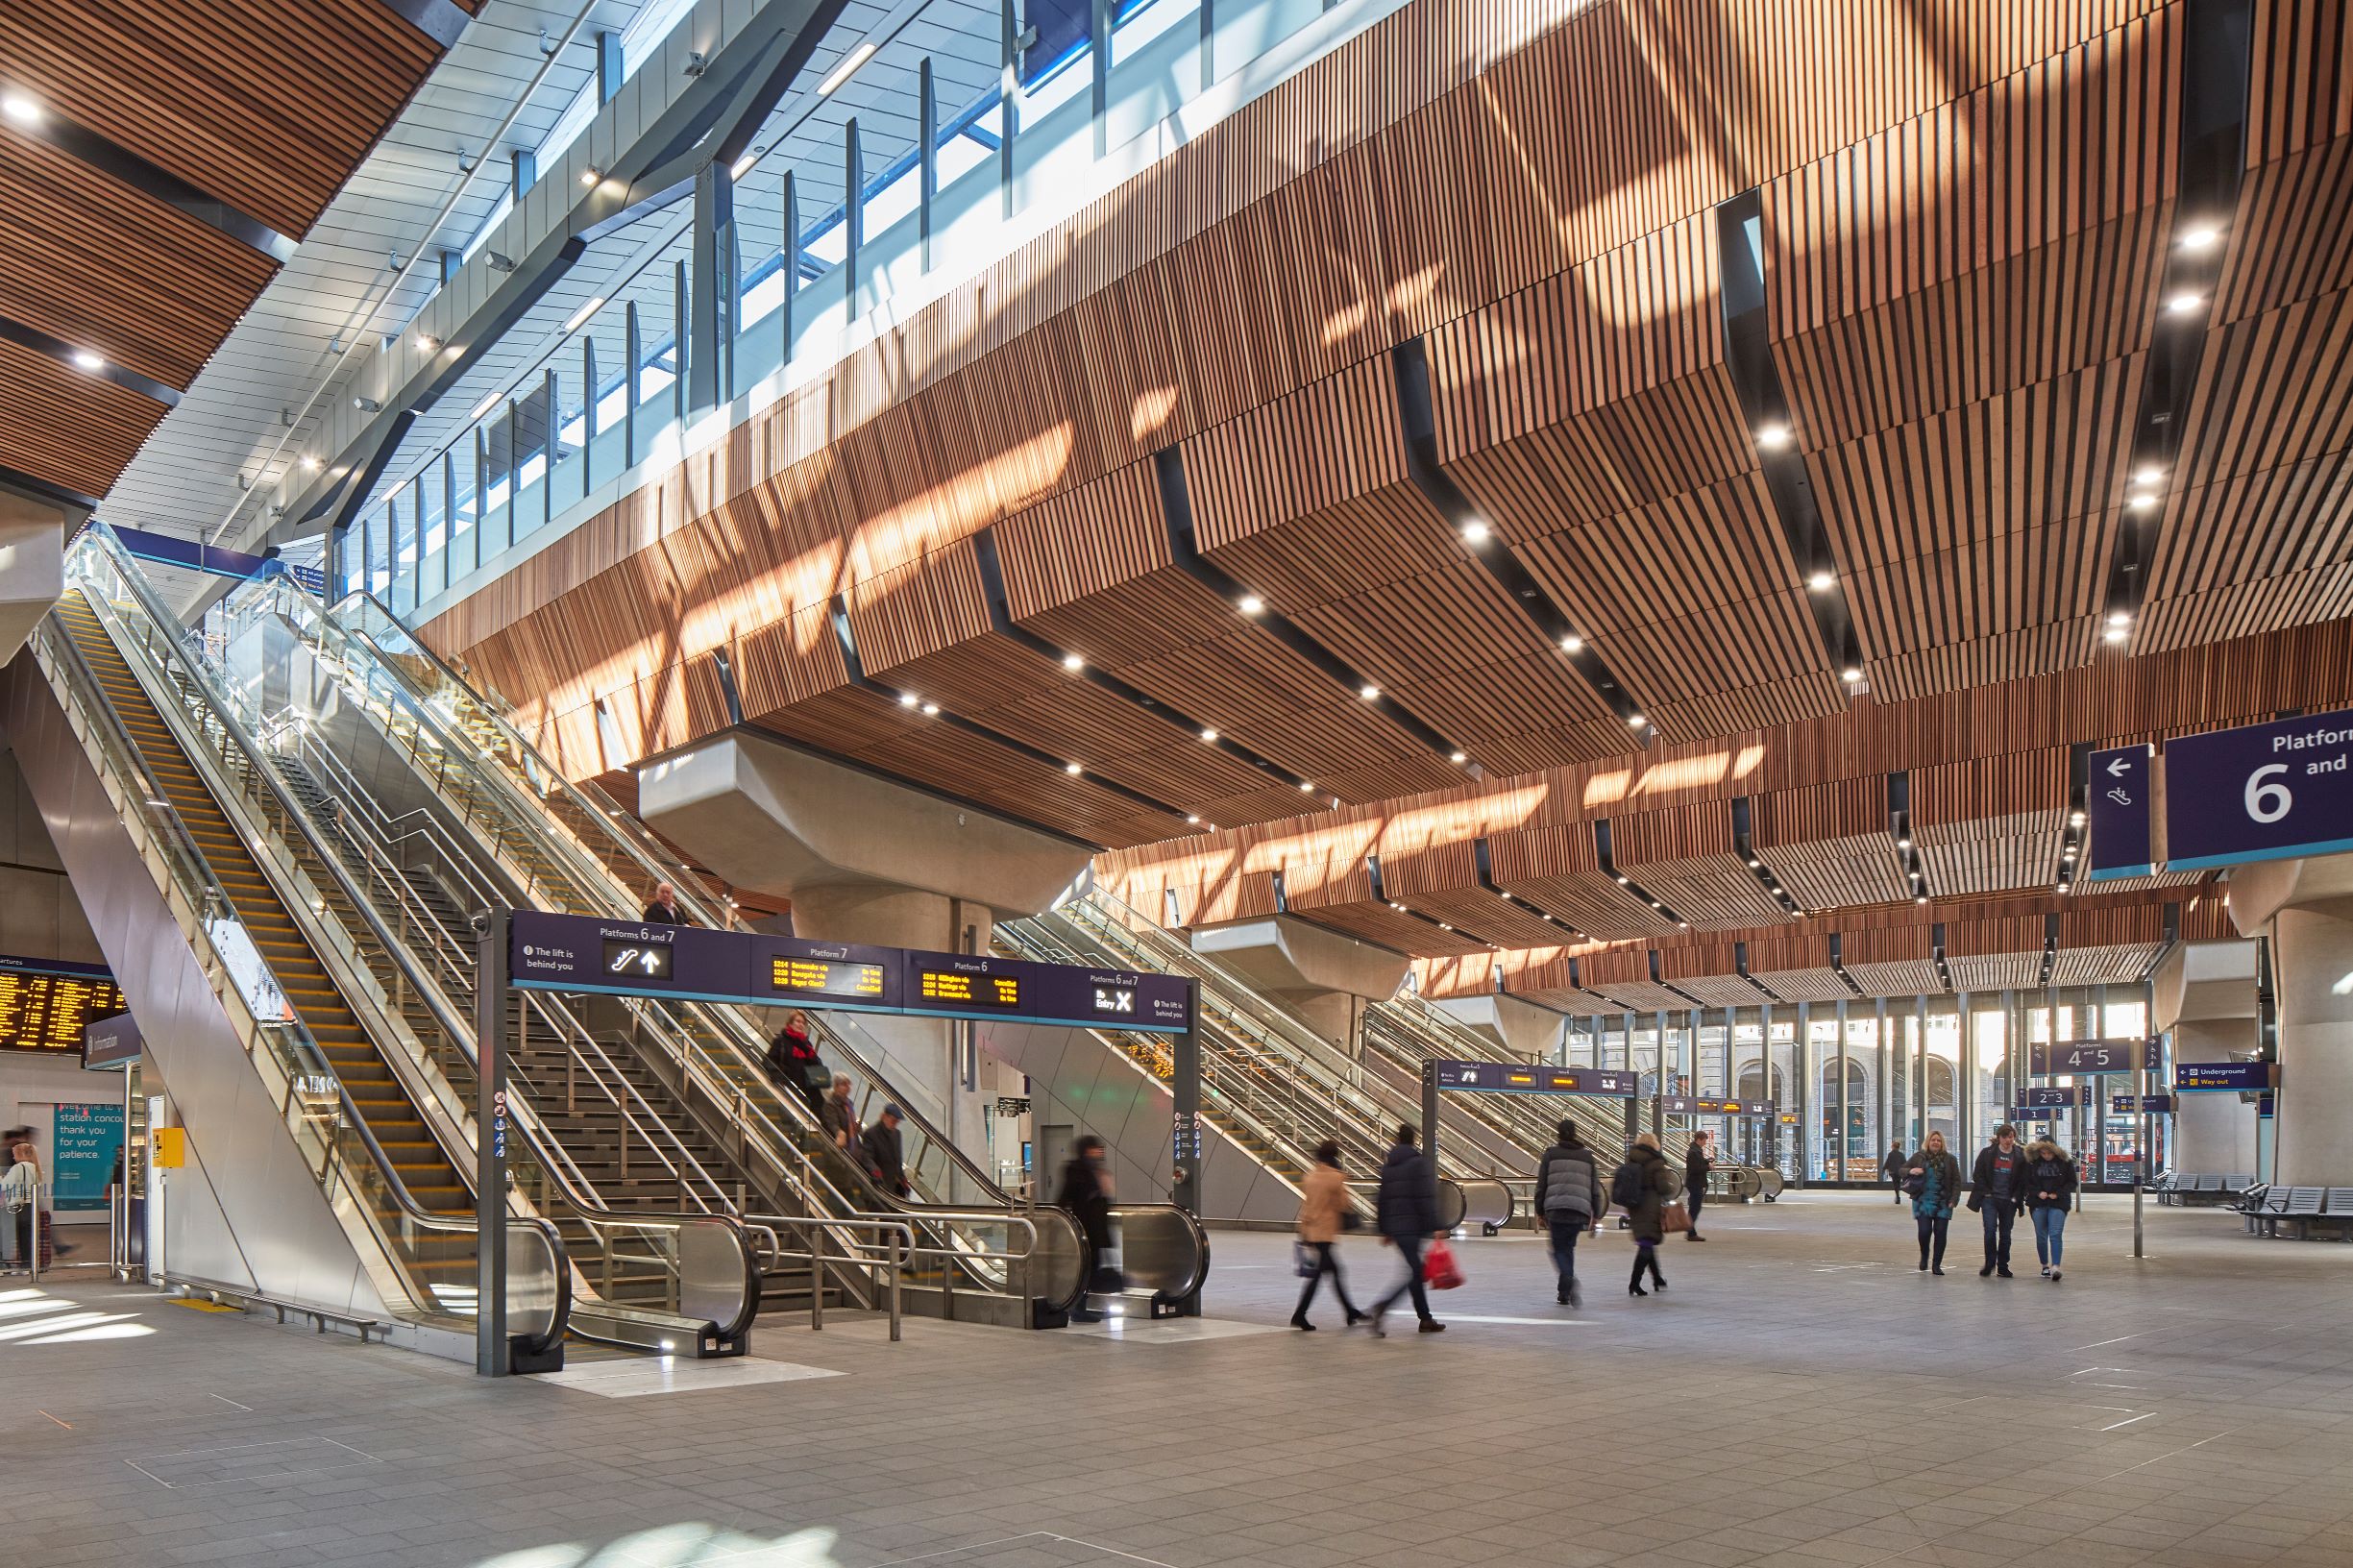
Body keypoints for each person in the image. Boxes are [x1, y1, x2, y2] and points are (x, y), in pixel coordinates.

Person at [1366, 1124, 1445, 1335]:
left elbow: (1381, 1199)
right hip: (1413, 1227)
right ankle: (1382, 1307)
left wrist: (1384, 1229)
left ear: (1397, 1139)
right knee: (1417, 1272)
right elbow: (1425, 1197)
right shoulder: (1419, 1164)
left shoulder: (1388, 1166)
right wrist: (1436, 1225)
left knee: (1415, 1271)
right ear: (1414, 1140)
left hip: (1396, 1227)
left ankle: (1425, 1319)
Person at [1290, 1140, 1363, 1331]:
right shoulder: (1335, 1178)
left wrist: (1304, 1232)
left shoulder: (1310, 1177)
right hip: (1325, 1232)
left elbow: (1307, 1205)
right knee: (1318, 1275)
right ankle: (1300, 1314)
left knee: (1336, 1271)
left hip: (1311, 1230)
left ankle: (1350, 1311)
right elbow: (1342, 1204)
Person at [1534, 1118, 1603, 1305]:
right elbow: (1594, 1188)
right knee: (1568, 1248)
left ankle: (1569, 1281)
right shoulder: (1587, 1156)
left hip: (1555, 1209)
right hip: (1579, 1210)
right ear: (1575, 1133)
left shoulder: (1550, 1155)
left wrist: (1540, 1211)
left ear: (1558, 1133)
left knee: (1558, 1249)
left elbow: (1542, 1185)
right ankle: (1563, 1293)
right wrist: (1595, 1214)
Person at [1056, 1135, 1115, 1323]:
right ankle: (1078, 1309)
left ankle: (1084, 1306)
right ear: (1086, 1149)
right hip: (1084, 1228)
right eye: (1095, 1148)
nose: (1099, 1151)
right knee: (1085, 1269)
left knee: (1094, 1267)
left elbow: (1102, 1200)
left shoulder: (1097, 1170)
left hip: (1098, 1229)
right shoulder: (1076, 1170)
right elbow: (1065, 1198)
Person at [1969, 1123, 2029, 1278]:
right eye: (2005, 1137)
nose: (2008, 1140)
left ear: (2014, 1137)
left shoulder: (2020, 1155)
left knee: (2005, 1234)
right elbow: (1978, 1174)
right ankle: (1989, 1263)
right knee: (1989, 1230)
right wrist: (1987, 1192)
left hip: (2009, 1201)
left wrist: (2017, 1196)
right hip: (1990, 1199)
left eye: (2011, 1137)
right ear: (1999, 1138)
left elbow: (2023, 1179)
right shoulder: (1987, 1153)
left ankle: (2002, 1265)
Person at [1617, 1132, 1673, 1296]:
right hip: (1651, 1205)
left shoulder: (1632, 1158)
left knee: (1646, 1241)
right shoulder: (1656, 1162)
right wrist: (1669, 1188)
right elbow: (1663, 1187)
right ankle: (1634, 1283)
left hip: (1635, 1205)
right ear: (1654, 1144)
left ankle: (1657, 1279)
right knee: (1646, 1244)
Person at [2023, 1137, 2079, 1280]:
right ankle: (2044, 1265)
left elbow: (2072, 1182)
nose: (2046, 1156)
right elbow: (2027, 1182)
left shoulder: (2065, 1163)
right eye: (2043, 1153)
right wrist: (2037, 1192)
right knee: (2041, 1236)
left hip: (2058, 1203)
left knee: (2055, 1234)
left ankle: (2056, 1266)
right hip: (2038, 1203)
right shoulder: (2032, 1163)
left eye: (2049, 1153)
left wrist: (2058, 1194)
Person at [1908, 1131, 1962, 1275]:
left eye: (1938, 1140)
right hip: (1923, 1201)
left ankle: (1936, 1264)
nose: (1936, 1142)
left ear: (1942, 1143)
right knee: (1924, 1232)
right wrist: (1911, 1170)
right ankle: (1924, 1255)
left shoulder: (1950, 1159)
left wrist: (1954, 1199)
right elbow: (1902, 1170)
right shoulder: (1919, 1157)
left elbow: (1957, 1181)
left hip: (1943, 1203)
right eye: (1933, 1140)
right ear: (1928, 1142)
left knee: (1940, 1233)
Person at [764, 1011, 828, 1115]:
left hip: (808, 1092)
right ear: (790, 1023)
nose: (801, 1024)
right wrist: (779, 1078)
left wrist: (808, 1052)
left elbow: (817, 1066)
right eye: (798, 1021)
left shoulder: (807, 1044)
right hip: (789, 1089)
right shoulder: (781, 1040)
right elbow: (769, 1060)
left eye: (803, 1023)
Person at [3, 1141, 38, 1276]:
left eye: (14, 1154)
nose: (13, 1158)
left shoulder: (18, 1168)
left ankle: (6, 1265)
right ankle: (27, 1265)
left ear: (20, 1154)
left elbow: (5, 1185)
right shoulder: (35, 1167)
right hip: (30, 1206)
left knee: (9, 1236)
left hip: (16, 1206)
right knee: (25, 1238)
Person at [861, 1105, 910, 1198]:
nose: (895, 1124)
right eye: (893, 1121)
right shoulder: (871, 1134)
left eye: (897, 1122)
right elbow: (867, 1157)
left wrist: (902, 1179)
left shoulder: (897, 1134)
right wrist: (875, 1171)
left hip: (893, 1186)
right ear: (883, 1116)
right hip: (878, 1185)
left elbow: (898, 1160)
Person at [1683, 1129, 1714, 1241]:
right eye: (1704, 1141)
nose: (1705, 1143)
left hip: (1696, 1183)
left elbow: (1697, 1163)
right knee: (1694, 1208)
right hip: (1695, 1183)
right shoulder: (1693, 1152)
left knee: (1695, 1207)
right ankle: (1690, 1232)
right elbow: (1694, 1169)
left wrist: (1706, 1161)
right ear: (1699, 1140)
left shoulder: (1696, 1151)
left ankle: (1690, 1231)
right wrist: (1708, 1167)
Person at [819, 1073, 861, 1151]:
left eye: (849, 1084)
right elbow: (832, 1124)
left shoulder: (849, 1103)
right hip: (840, 1146)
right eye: (844, 1084)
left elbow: (851, 1123)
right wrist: (839, 1133)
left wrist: (857, 1126)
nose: (848, 1087)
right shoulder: (830, 1104)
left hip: (854, 1144)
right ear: (836, 1087)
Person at [1881, 1139, 1909, 1204]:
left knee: (1895, 1184)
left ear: (1893, 1147)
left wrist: (1884, 1169)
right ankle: (1898, 1195)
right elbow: (1905, 1163)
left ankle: (1897, 1196)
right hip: (1899, 1172)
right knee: (1898, 1183)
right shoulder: (1901, 1154)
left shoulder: (1890, 1154)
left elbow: (1888, 1162)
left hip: (1893, 1172)